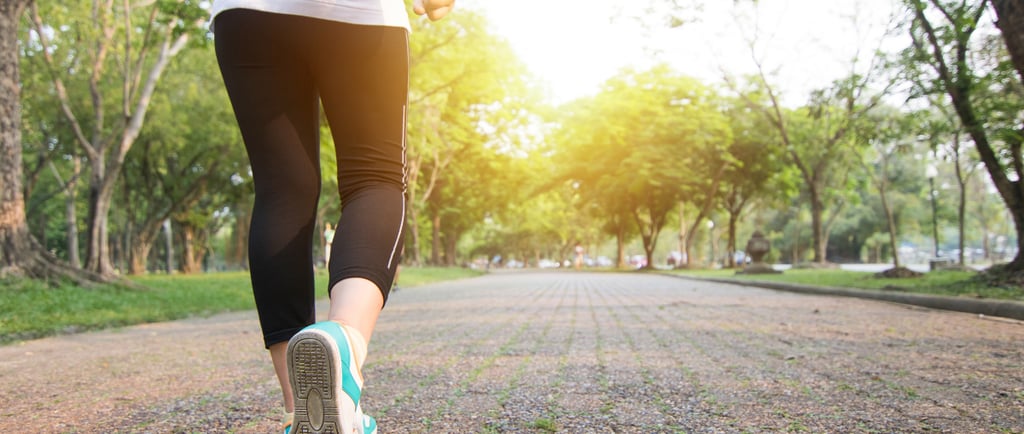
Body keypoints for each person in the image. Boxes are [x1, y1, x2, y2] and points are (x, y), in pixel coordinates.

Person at [210, 1, 454, 433]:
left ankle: (300, 411)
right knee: (375, 179)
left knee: (282, 190)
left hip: (247, 13)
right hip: (358, 13)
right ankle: (344, 342)